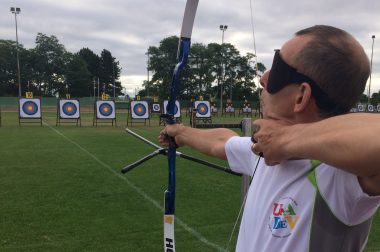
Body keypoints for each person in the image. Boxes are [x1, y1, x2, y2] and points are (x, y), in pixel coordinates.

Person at [159, 25, 380, 251]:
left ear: (301, 96)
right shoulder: (263, 150)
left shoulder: (340, 178)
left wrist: (285, 139)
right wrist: (180, 132)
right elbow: (221, 142)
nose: (263, 79)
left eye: (276, 71)